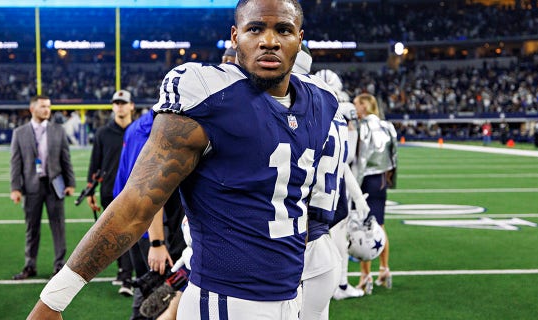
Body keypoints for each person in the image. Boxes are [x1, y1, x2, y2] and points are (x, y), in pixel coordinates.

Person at [27, 1, 340, 319]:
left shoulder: (321, 101)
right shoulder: (209, 95)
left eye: (283, 30)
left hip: (292, 296)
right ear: (235, 37)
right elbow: (136, 204)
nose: (269, 41)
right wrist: (54, 299)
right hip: (225, 303)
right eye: (255, 28)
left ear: (299, 40)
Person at [112, 109, 186, 320]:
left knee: (148, 287)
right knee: (159, 292)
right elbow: (151, 190)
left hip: (135, 220)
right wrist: (157, 243)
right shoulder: (159, 130)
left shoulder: (136, 127)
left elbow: (123, 176)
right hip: (151, 227)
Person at [313, 69, 367, 300]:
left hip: (311, 185)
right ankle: (341, 285)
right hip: (334, 186)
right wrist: (357, 196)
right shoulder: (344, 109)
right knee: (336, 242)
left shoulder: (309, 101)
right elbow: (348, 158)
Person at [10, 95, 76, 280]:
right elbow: (15, 163)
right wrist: (15, 188)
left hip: (54, 184)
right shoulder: (20, 132)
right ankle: (30, 265)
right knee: (32, 228)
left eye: (48, 106)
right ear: (32, 109)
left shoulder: (58, 131)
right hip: (31, 186)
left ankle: (59, 266)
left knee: (58, 227)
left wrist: (70, 183)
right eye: (42, 106)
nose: (47, 110)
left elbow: (66, 159)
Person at [85, 89, 136, 295]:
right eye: (117, 103)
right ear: (113, 106)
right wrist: (90, 190)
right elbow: (94, 163)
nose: (120, 106)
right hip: (109, 191)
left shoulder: (140, 130)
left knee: (134, 233)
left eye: (123, 103)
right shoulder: (103, 133)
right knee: (116, 235)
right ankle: (124, 271)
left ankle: (128, 274)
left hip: (134, 191)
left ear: (131, 106)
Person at [352, 93, 397, 294]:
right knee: (379, 226)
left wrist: (354, 188)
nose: (354, 109)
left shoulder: (362, 126)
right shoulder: (388, 126)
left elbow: (361, 159)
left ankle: (365, 276)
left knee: (363, 228)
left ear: (364, 106)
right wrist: (390, 180)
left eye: (356, 105)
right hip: (381, 180)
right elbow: (394, 157)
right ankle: (384, 269)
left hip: (365, 180)